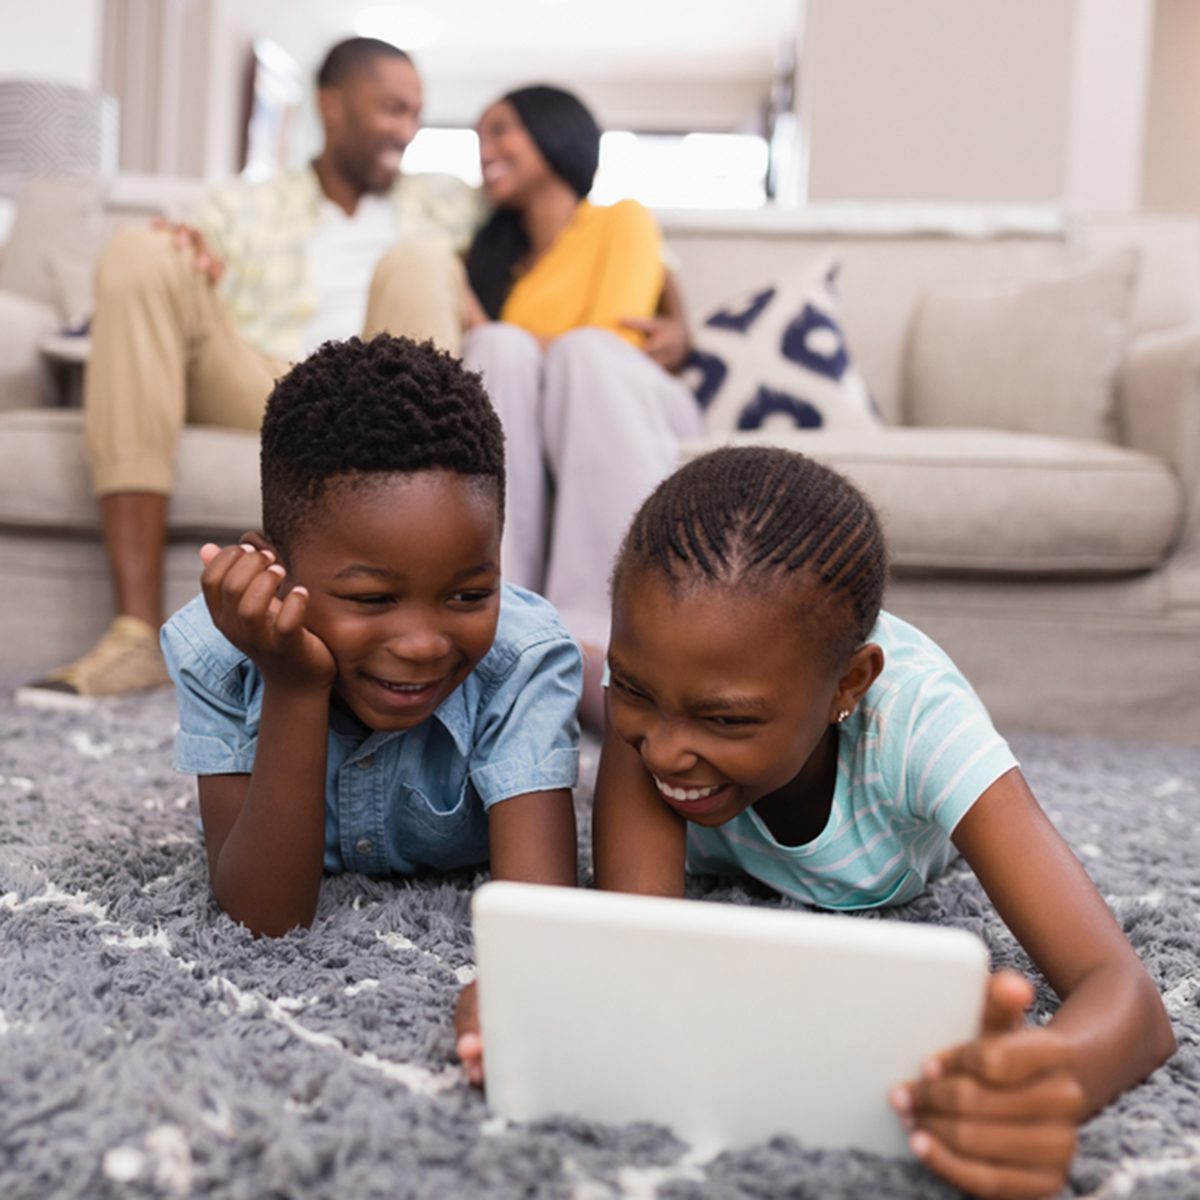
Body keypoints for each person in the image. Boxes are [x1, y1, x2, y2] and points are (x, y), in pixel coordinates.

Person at [17, 47, 689, 708]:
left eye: (417, 114)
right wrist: (177, 244)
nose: (408, 129)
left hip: (381, 395)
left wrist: (678, 318)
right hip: (259, 378)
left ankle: (421, 622)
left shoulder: (447, 204)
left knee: (425, 262)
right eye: (393, 109)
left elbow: (593, 236)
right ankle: (135, 631)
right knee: (142, 251)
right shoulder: (244, 206)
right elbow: (185, 258)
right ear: (331, 107)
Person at [590, 446, 1175, 1200]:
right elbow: (641, 950)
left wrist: (1044, 1082)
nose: (663, 749)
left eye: (726, 718)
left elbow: (1128, 999)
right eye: (634, 689)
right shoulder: (658, 674)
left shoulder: (922, 723)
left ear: (851, 684)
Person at [160, 334, 580, 946]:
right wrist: (294, 683)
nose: (422, 644)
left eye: (467, 595)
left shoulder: (525, 664)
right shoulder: (218, 653)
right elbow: (264, 917)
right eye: (372, 599)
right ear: (275, 572)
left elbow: (538, 924)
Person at [460, 85, 703, 728]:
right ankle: (496, 625)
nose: (487, 150)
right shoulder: (496, 262)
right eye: (480, 136)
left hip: (622, 398)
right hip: (545, 419)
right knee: (494, 345)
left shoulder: (621, 218)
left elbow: (613, 335)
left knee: (583, 354)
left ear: (553, 134)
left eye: (502, 130)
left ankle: (598, 637)